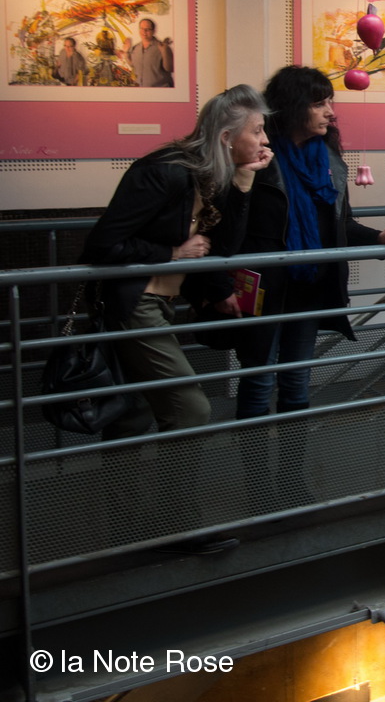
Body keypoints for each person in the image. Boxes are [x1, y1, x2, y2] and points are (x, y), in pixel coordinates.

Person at [81, 83, 273, 554]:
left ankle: (127, 528)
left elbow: (225, 247)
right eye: (257, 131)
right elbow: (102, 245)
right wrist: (172, 253)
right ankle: (178, 525)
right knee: (191, 409)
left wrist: (244, 180)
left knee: (133, 414)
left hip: (160, 303)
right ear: (226, 137)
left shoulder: (208, 175)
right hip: (134, 304)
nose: (265, 140)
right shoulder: (164, 172)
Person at [234, 66, 385, 421]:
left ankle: (292, 459)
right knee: (259, 380)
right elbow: (234, 224)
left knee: (297, 379)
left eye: (330, 102)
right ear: (292, 106)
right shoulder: (258, 157)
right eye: (319, 103)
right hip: (267, 286)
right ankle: (253, 460)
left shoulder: (328, 160)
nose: (330, 112)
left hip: (310, 284)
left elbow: (340, 224)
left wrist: (378, 237)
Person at [125, 18, 175, 88]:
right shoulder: (135, 48)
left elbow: (170, 68)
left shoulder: (163, 47)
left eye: (147, 29)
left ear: (154, 31)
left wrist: (165, 51)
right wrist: (126, 52)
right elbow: (133, 65)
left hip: (160, 91)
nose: (144, 31)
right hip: (141, 90)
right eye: (142, 28)